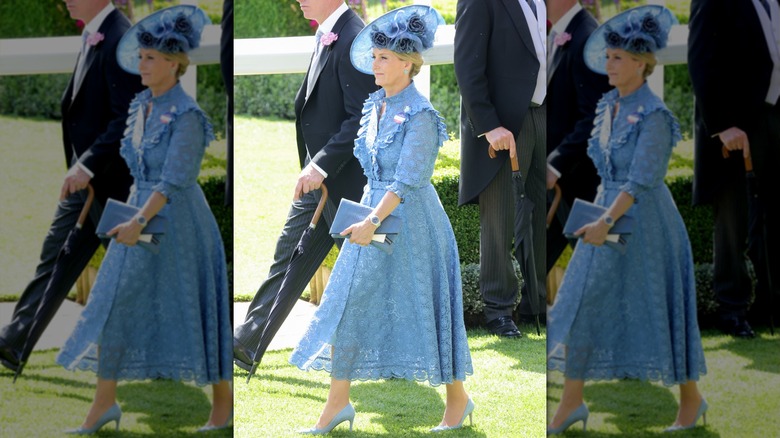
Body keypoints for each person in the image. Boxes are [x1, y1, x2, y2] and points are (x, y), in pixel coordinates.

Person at [289, 6, 474, 434]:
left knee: (429, 309)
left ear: (408, 64)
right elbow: (371, 169)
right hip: (371, 216)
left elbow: (409, 180)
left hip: (414, 225)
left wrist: (372, 219)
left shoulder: (422, 116)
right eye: (373, 57)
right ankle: (336, 406)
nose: (374, 65)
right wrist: (363, 213)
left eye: (383, 58)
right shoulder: (373, 105)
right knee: (348, 304)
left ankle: (458, 401)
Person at [55, 5, 232, 433]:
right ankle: (103, 404)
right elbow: (134, 166)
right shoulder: (139, 106)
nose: (142, 64)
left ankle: (223, 408)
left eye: (151, 58)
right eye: (141, 56)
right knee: (115, 304)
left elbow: (174, 180)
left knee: (195, 309)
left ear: (174, 64)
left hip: (180, 224)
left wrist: (138, 221)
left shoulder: (188, 116)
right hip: (137, 214)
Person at [547, 6, 707, 434]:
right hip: (604, 215)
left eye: (617, 58)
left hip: (648, 225)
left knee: (660, 309)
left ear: (641, 63)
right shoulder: (606, 105)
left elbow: (640, 181)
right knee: (579, 302)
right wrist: (597, 217)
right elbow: (604, 169)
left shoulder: (655, 116)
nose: (607, 64)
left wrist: (604, 221)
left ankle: (691, 401)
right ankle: (571, 404)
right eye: (609, 56)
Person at [232, 0, 378, 370]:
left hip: (345, 183)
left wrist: (322, 165)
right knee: (288, 256)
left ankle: (386, 354)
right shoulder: (328, 32)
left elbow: (360, 117)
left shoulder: (354, 36)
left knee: (368, 277)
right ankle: (247, 342)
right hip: (317, 182)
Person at [0, 0, 143, 374]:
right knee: (56, 256)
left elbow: (125, 118)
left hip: (111, 185)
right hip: (85, 183)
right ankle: (14, 342)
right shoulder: (95, 31)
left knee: (136, 277)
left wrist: (88, 164)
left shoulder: (121, 36)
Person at [454, 0, 547, 336]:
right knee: (499, 219)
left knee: (542, 213)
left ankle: (537, 303)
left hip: (546, 114)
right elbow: (466, 65)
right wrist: (489, 125)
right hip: (504, 126)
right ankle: (498, 311)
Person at [688, 0, 780, 338]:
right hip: (733, 125)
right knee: (732, 219)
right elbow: (700, 60)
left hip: (773, 115)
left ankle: (771, 303)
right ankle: (732, 309)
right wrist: (722, 126)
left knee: (771, 217)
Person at [546, 0, 611, 273]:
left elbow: (593, 116)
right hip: (562, 181)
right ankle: (526, 305)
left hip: (578, 178)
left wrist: (555, 165)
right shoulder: (564, 31)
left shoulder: (586, 36)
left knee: (595, 267)